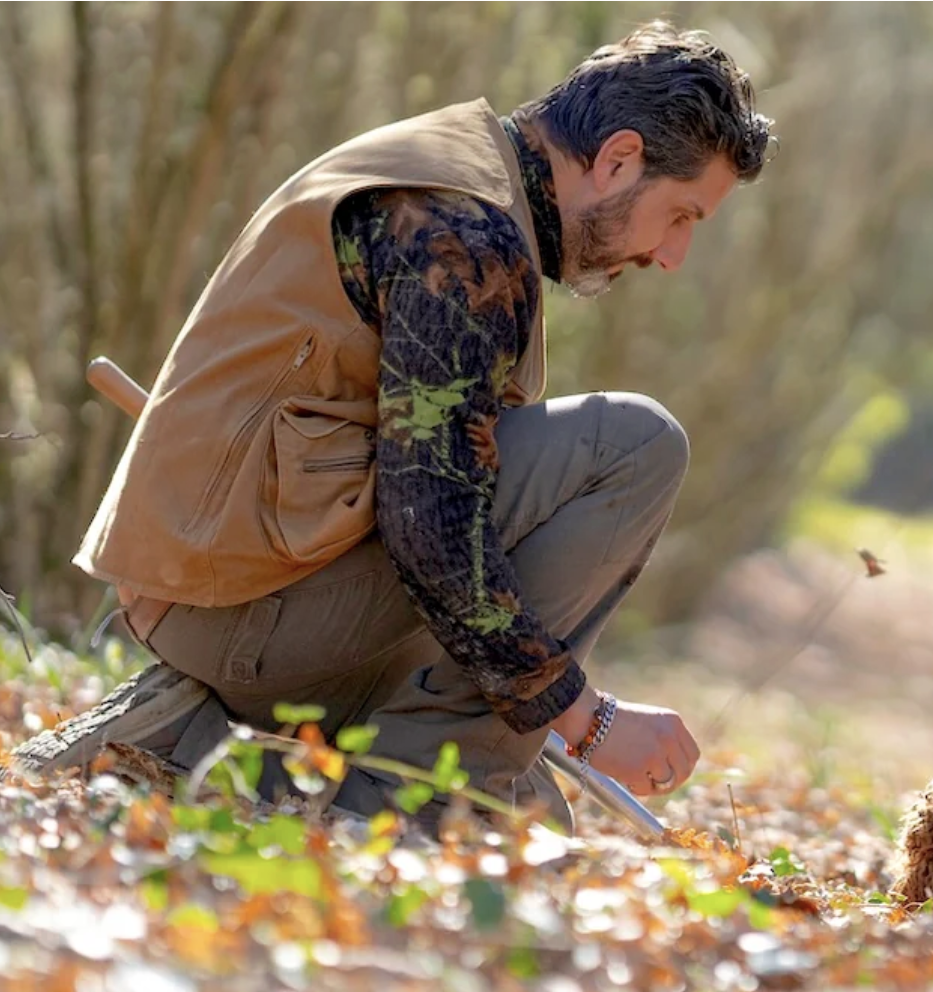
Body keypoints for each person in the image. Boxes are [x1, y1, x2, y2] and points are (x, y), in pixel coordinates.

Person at [8, 21, 776, 829]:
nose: (673, 255)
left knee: (541, 816)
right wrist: (587, 720)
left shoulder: (452, 169)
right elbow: (431, 527)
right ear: (619, 159)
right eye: (682, 215)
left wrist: (545, 700)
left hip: (220, 593)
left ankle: (399, 767)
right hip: (237, 616)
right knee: (635, 446)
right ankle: (413, 804)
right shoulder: (463, 232)